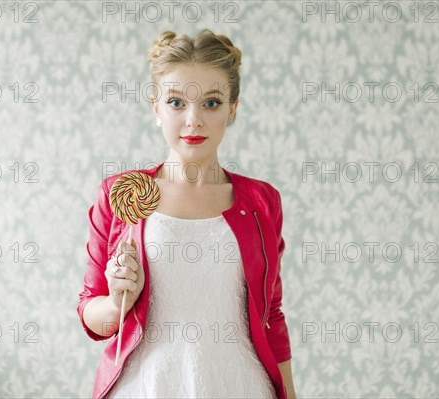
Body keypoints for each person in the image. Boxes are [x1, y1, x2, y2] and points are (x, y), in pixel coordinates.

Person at [77, 29, 296, 399]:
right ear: (155, 108)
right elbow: (93, 317)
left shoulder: (261, 201)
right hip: (145, 388)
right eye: (177, 102)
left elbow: (271, 314)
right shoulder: (120, 196)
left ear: (233, 108)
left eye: (211, 103)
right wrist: (118, 301)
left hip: (239, 386)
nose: (193, 120)